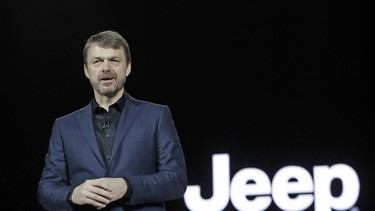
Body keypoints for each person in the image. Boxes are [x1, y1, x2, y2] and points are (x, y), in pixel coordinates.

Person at [37, 30, 188, 211]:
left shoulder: (156, 115)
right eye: (97, 61)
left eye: (114, 60)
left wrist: (128, 186)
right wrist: (72, 195)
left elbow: (176, 180)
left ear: (128, 67)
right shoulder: (64, 126)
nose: (106, 68)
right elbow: (46, 189)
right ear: (87, 70)